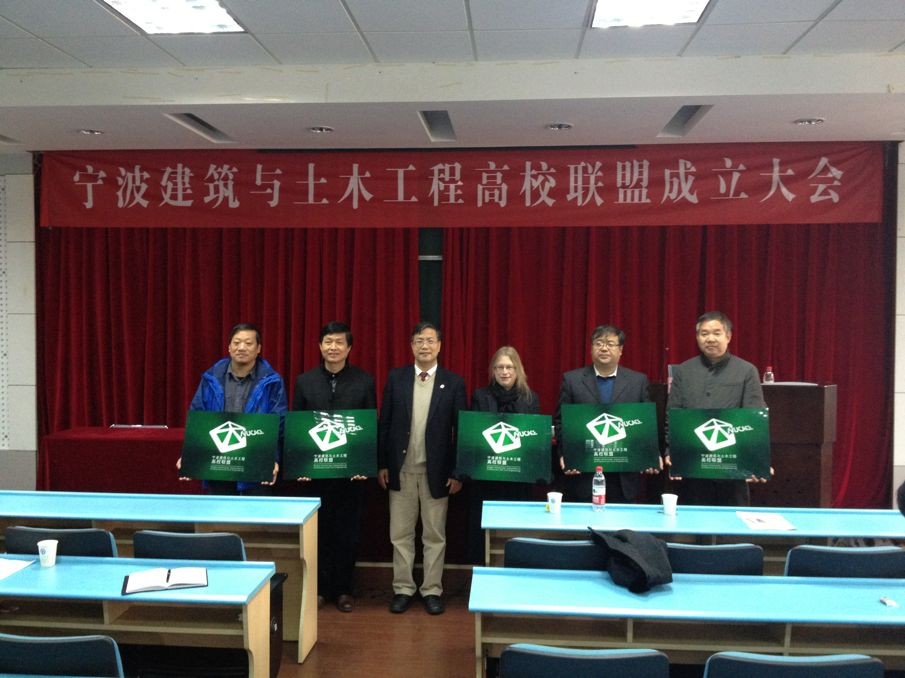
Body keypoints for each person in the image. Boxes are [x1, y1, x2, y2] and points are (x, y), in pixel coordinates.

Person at [377, 322, 467, 616]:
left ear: (439, 345)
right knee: (400, 534)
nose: (424, 346)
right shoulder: (397, 378)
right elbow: (385, 423)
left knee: (434, 536)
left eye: (430, 340)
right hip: (401, 469)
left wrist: (456, 472)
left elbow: (461, 431)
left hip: (437, 472)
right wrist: (382, 464)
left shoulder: (453, 382)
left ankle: (432, 590)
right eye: (419, 341)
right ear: (412, 346)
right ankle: (403, 588)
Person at [290, 321, 376, 613]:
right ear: (320, 346)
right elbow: (298, 426)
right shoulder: (305, 381)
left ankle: (343, 589)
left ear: (349, 348)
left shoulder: (364, 381)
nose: (333, 347)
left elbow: (369, 425)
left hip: (351, 475)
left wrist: (365, 463)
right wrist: (299, 465)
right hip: (314, 474)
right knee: (319, 532)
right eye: (328, 342)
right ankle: (320, 588)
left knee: (347, 533)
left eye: (339, 342)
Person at [667, 310, 768, 506]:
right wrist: (671, 451)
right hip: (693, 467)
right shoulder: (684, 371)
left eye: (716, 333)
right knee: (693, 521)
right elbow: (673, 414)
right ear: (697, 337)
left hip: (733, 469)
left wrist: (756, 460)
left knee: (732, 523)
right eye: (704, 333)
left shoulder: (746, 371)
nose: (710, 339)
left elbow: (754, 417)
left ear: (728, 336)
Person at [178, 322, 287, 495]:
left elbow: (278, 423)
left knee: (254, 512)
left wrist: (272, 459)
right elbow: (198, 417)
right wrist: (190, 455)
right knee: (219, 512)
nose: (241, 347)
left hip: (255, 464)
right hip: (218, 462)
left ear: (258, 349)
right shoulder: (211, 378)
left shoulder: (272, 381)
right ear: (229, 347)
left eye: (248, 343)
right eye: (236, 343)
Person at [553, 325, 651, 503]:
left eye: (610, 344)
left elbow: (645, 425)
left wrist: (648, 455)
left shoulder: (638, 381)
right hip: (584, 473)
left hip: (623, 475)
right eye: (598, 343)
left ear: (620, 350)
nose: (604, 348)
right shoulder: (572, 380)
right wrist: (565, 454)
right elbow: (561, 422)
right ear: (591, 348)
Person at [466, 346, 541, 564]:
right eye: (499, 367)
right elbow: (474, 437)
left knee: (518, 529)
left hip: (519, 478)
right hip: (488, 477)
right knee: (483, 531)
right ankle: (484, 569)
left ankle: (518, 569)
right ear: (493, 370)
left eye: (509, 367)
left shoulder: (530, 398)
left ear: (518, 370)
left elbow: (534, 439)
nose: (504, 372)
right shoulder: (480, 396)